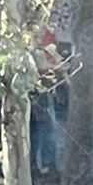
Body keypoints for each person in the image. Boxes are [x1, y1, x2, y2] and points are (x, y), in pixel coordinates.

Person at [30, 29, 65, 177]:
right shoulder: (35, 33)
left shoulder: (46, 32)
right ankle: (46, 165)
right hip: (37, 86)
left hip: (42, 86)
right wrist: (57, 67)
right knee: (45, 128)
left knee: (39, 129)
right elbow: (42, 63)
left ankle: (38, 165)